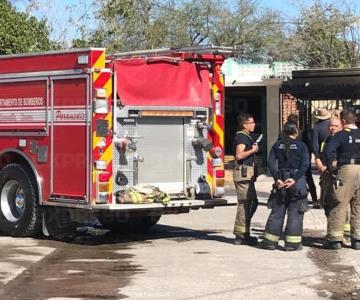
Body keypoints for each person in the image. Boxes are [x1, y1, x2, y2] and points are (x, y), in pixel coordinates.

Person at [261, 122, 309, 251]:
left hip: (281, 180)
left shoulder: (277, 145)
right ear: (296, 132)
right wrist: (294, 179)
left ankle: (270, 242)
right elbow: (305, 165)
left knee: (277, 211)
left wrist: (277, 179)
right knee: (295, 213)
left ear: (284, 132)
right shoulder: (302, 146)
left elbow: (271, 164)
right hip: (296, 182)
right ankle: (292, 244)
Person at [324, 109, 360, 250]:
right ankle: (357, 240)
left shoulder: (339, 136)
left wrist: (332, 168)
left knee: (339, 202)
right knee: (358, 205)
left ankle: (335, 239)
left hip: (347, 169)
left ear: (343, 121)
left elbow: (329, 152)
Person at [279, 113, 318, 207]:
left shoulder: (282, 134)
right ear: (297, 123)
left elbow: (278, 146)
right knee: (309, 179)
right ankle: (315, 201)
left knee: (284, 178)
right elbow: (309, 147)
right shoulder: (302, 132)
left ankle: (284, 198)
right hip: (302, 159)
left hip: (287, 161)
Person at [232, 113, 259, 245]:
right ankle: (240, 235)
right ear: (244, 125)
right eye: (251, 122)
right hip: (243, 175)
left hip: (247, 175)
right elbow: (239, 155)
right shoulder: (242, 136)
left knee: (252, 203)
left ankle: (245, 232)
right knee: (245, 204)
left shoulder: (246, 136)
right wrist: (253, 150)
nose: (254, 124)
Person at [315, 118, 342, 216]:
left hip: (337, 175)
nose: (333, 128)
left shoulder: (343, 139)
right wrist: (319, 163)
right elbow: (319, 154)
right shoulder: (326, 140)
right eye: (331, 126)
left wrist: (329, 166)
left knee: (338, 201)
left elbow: (342, 158)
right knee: (324, 201)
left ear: (341, 126)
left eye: (336, 126)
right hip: (325, 175)